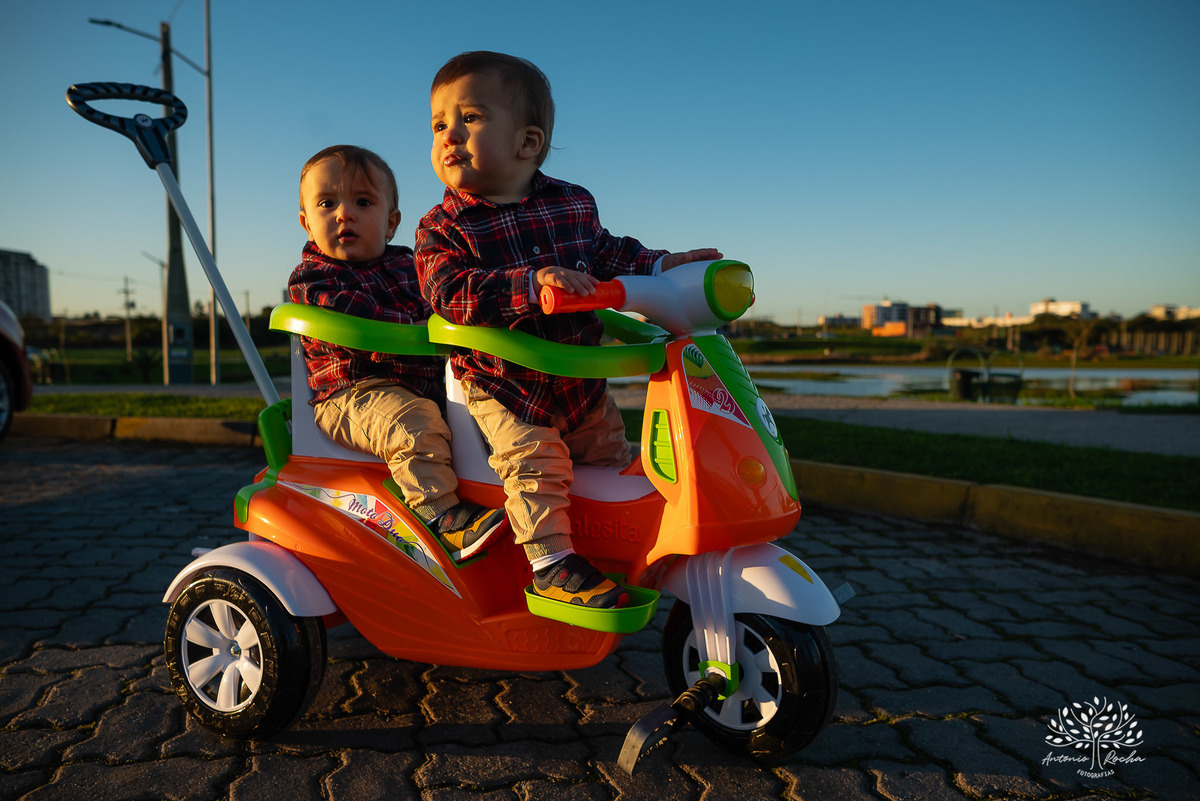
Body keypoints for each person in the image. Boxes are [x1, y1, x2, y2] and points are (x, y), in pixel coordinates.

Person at [414, 52, 721, 608]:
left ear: (528, 144)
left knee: (612, 460)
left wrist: (661, 266)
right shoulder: (443, 227)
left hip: (580, 385)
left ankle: (617, 546)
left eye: (471, 118)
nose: (449, 135)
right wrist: (530, 284)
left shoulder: (573, 203)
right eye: (439, 125)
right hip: (507, 386)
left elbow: (608, 253)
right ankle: (551, 564)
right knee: (537, 464)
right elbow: (447, 292)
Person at [289, 144, 505, 563]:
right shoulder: (313, 278)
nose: (343, 214)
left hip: (418, 386)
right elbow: (359, 324)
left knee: (489, 409)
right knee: (412, 424)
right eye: (326, 203)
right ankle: (442, 518)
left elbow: (441, 302)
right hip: (351, 395)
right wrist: (429, 330)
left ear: (391, 223)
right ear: (307, 223)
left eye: (362, 202)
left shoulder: (411, 267)